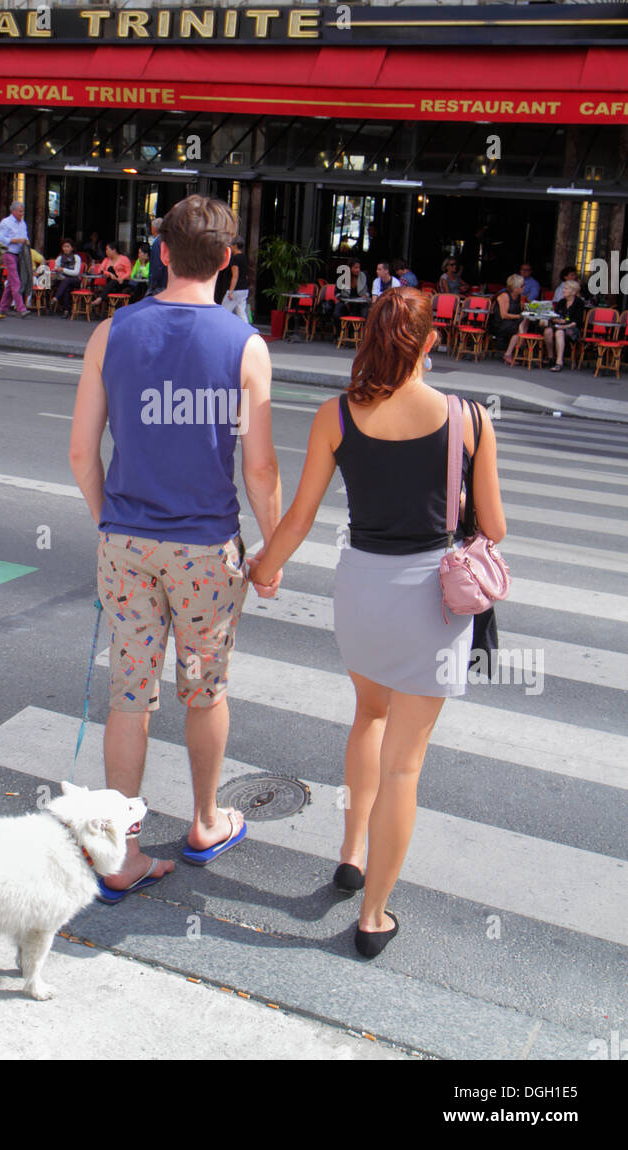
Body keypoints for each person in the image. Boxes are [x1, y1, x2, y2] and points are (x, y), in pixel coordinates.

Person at [248, 288, 505, 957]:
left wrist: (264, 567)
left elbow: (300, 515)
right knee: (404, 770)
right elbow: (496, 527)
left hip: (361, 592)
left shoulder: (337, 415)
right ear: (428, 343)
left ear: (367, 341)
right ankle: (373, 917)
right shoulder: (469, 419)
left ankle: (349, 851)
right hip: (434, 601)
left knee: (368, 716)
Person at [69, 195, 281, 898]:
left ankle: (120, 856)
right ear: (228, 260)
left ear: (160, 251)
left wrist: (112, 522)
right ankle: (203, 820)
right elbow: (259, 467)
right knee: (203, 689)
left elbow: (81, 452)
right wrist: (272, 550)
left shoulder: (111, 332)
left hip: (127, 542)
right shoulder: (246, 346)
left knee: (130, 695)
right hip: (203, 549)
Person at [0, 201, 30, 317]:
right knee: (16, 281)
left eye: (23, 211)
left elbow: (25, 236)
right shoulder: (6, 222)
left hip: (19, 254)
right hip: (9, 252)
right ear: (13, 211)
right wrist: (16, 240)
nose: (22, 213)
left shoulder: (23, 223)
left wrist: (26, 241)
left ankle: (3, 307)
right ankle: (21, 308)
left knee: (11, 282)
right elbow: (1, 239)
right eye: (20, 211)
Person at [543, 279, 584, 371]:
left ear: (573, 292)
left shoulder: (579, 303)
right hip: (559, 326)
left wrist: (564, 326)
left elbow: (577, 322)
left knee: (559, 333)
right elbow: (555, 316)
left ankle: (559, 362)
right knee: (547, 331)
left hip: (572, 329)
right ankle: (550, 357)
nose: (563, 290)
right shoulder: (561, 302)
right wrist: (557, 320)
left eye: (566, 289)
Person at [90, 240, 132, 316]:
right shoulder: (106, 260)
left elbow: (129, 272)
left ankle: (100, 299)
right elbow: (101, 270)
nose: (106, 251)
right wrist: (109, 274)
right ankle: (104, 300)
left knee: (114, 281)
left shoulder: (124, 259)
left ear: (114, 250)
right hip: (111, 282)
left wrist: (121, 278)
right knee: (111, 273)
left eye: (107, 249)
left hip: (122, 282)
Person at [331, 256, 369, 337]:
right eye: (355, 268)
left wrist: (366, 295)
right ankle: (339, 334)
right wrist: (344, 299)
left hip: (359, 303)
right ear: (350, 268)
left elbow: (369, 291)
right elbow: (337, 293)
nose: (358, 270)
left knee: (365, 312)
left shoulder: (364, 276)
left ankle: (355, 335)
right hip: (346, 302)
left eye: (359, 268)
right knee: (336, 313)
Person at [49, 238, 83, 315]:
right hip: (62, 280)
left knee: (67, 280)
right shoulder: (60, 258)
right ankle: (66, 311)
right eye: (64, 246)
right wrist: (56, 270)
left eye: (68, 247)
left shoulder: (76, 257)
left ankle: (56, 298)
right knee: (66, 286)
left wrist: (63, 270)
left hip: (75, 280)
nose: (65, 248)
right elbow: (55, 268)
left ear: (72, 248)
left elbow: (76, 272)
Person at [221, 237, 249, 320]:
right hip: (244, 289)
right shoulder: (244, 258)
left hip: (235, 289)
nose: (231, 247)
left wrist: (230, 291)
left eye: (232, 245)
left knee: (224, 311)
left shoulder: (235, 259)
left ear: (235, 246)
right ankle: (247, 330)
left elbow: (235, 276)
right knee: (241, 313)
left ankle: (221, 330)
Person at [147, 216, 167, 295]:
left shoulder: (157, 243)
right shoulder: (167, 240)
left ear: (154, 229)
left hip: (159, 284)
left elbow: (157, 264)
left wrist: (153, 284)